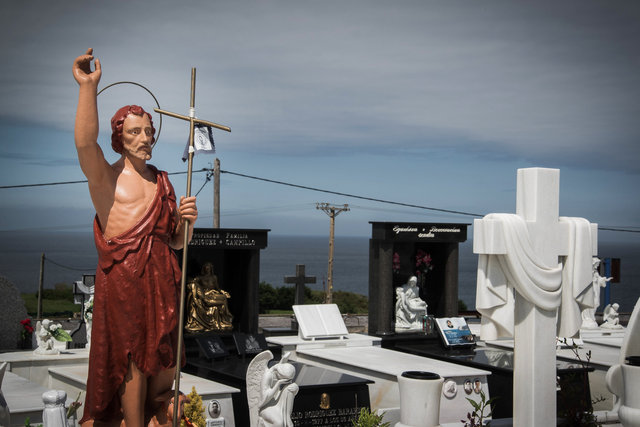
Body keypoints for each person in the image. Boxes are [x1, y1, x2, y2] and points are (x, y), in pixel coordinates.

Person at [73, 48, 198, 426]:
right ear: (119, 137)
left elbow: (176, 242)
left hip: (163, 278)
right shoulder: (106, 178)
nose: (144, 137)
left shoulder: (162, 180)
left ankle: (155, 412)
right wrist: (87, 88)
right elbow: (83, 144)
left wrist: (185, 223)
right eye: (134, 131)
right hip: (125, 280)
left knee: (165, 353)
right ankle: (131, 421)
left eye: (148, 130)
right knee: (131, 355)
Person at [185, 262, 233, 332]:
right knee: (222, 301)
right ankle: (225, 315)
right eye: (206, 269)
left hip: (212, 293)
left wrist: (223, 292)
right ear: (204, 269)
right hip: (205, 295)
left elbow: (217, 288)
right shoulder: (199, 278)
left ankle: (226, 314)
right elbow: (191, 282)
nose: (208, 270)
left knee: (224, 297)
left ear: (211, 269)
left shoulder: (214, 277)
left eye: (209, 269)